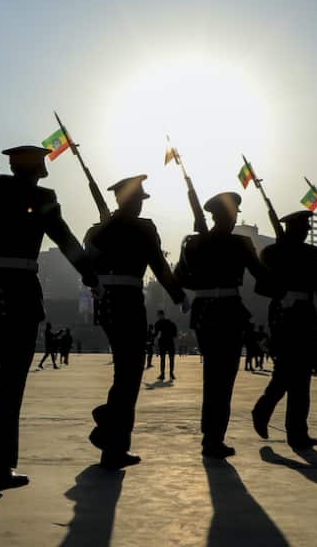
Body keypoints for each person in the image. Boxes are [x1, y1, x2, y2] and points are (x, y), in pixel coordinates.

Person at [0, 145, 97, 492]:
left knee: (7, 377)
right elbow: (63, 237)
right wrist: (91, 274)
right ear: (38, 169)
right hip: (20, 290)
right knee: (11, 380)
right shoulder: (40, 196)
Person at [84, 174, 186, 469]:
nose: (140, 206)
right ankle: (108, 428)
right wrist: (178, 295)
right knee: (129, 374)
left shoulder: (99, 229)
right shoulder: (143, 228)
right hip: (128, 301)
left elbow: (87, 265)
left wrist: (96, 285)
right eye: (137, 201)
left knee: (125, 372)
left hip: (106, 304)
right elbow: (159, 264)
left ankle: (112, 442)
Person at [174, 191, 267, 459]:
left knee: (213, 377)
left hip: (205, 314)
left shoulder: (193, 243)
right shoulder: (240, 243)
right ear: (229, 215)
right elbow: (261, 276)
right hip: (229, 312)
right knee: (223, 379)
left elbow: (182, 279)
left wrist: (202, 271)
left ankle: (211, 436)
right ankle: (214, 438)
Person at [249, 211, 317, 449]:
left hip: (306, 315)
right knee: (287, 371)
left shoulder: (311, 254)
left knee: (302, 375)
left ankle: (295, 430)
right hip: (282, 315)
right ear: (292, 229)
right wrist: (282, 292)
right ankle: (267, 411)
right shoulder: (272, 253)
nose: (307, 229)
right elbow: (261, 287)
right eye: (303, 226)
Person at [154, 311, 178, 380]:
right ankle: (171, 374)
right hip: (170, 342)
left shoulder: (157, 324)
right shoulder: (171, 323)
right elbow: (175, 334)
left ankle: (162, 374)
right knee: (171, 359)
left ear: (159, 315)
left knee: (162, 359)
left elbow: (156, 335)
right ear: (164, 315)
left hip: (162, 343)